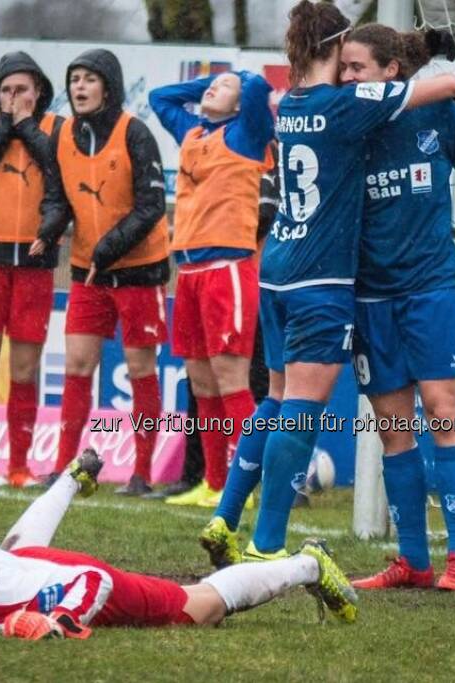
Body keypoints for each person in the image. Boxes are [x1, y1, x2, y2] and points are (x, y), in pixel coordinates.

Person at [199, 0, 455, 567]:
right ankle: (267, 543)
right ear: (335, 47)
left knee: (275, 400)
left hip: (276, 268)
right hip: (319, 278)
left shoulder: (290, 104)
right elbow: (444, 87)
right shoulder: (346, 105)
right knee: (302, 409)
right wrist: (441, 61)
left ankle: (225, 516)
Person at [337, 25, 455, 592]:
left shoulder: (439, 115)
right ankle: (413, 560)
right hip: (370, 297)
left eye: (356, 67)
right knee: (394, 431)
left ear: (391, 71)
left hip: (430, 288)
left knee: (445, 413)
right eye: (342, 67)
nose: (346, 76)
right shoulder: (347, 122)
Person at [0, 449, 358, 636]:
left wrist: (59, 621)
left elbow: (95, 580)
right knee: (16, 551)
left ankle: (307, 564)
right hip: (23, 562)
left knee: (199, 607)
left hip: (65, 579)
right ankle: (71, 477)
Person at [31, 49, 169, 492]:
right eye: (74, 79)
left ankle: (142, 473)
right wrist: (49, 229)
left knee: (139, 367)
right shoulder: (61, 136)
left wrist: (107, 248)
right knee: (76, 363)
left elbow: (152, 205)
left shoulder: (135, 133)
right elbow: (56, 198)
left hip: (139, 270)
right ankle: (62, 467)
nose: (79, 87)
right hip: (88, 272)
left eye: (89, 79)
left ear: (108, 87)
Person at [148, 69, 275, 504]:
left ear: (239, 105)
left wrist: (239, 78)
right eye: (210, 84)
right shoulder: (193, 131)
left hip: (228, 269)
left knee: (232, 381)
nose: (212, 88)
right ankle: (215, 482)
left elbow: (258, 88)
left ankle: (245, 485)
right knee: (201, 384)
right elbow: (160, 96)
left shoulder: (247, 134)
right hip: (188, 274)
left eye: (224, 87)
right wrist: (213, 85)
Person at [0, 51, 67, 489]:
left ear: (38, 91)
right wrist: (5, 124)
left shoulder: (56, 128)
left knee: (25, 366)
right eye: (5, 90)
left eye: (21, 89)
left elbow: (60, 170)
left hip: (35, 260)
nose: (12, 96)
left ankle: (19, 467)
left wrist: (25, 126)